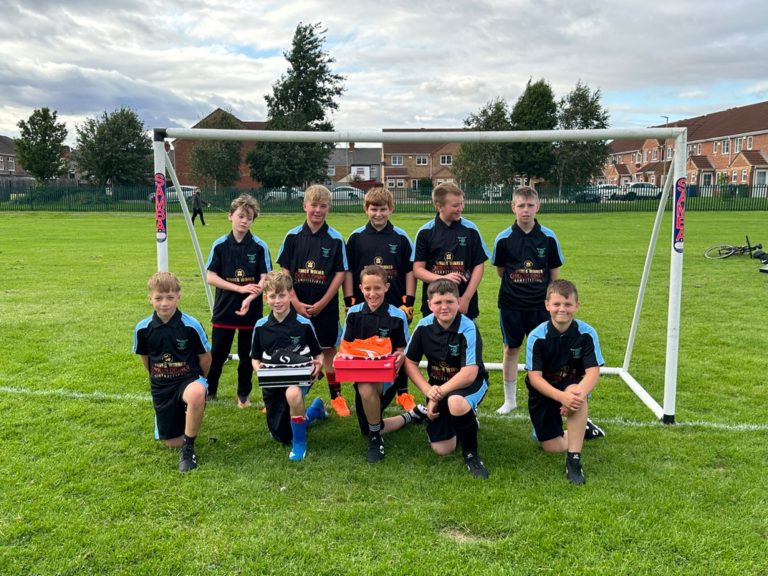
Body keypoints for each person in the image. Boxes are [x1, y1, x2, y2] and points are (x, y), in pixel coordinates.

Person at [339, 265, 427, 463]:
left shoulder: (398, 315)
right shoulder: (353, 313)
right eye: (367, 289)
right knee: (369, 424)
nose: (372, 294)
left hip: (387, 378)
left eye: (377, 288)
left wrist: (400, 356)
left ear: (386, 287)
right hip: (361, 374)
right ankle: (411, 416)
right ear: (360, 288)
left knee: (367, 389)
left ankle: (375, 439)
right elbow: (346, 348)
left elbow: (404, 350)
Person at [404, 279, 490, 479]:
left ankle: (471, 455)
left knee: (456, 402)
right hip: (438, 387)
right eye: (438, 302)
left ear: (459, 302)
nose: (444, 307)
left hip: (470, 384)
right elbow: (409, 362)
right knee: (442, 449)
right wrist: (428, 390)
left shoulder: (468, 327)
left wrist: (438, 394)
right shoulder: (424, 326)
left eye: (450, 302)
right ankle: (465, 420)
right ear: (429, 304)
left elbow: (469, 374)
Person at [276, 185, 350, 417]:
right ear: (304, 206)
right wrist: (295, 302)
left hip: (324, 307)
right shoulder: (292, 236)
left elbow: (341, 273)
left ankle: (336, 396)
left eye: (323, 206)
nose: (318, 210)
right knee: (293, 347)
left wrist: (324, 302)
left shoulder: (336, 239)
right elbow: (285, 270)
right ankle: (285, 395)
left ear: (329, 208)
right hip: (295, 305)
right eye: (314, 205)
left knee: (329, 349)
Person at [343, 186, 418, 413]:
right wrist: (349, 301)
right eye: (374, 209)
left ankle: (402, 392)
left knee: (398, 348)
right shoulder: (356, 238)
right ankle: (371, 386)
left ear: (391, 209)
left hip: (395, 304)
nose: (378, 214)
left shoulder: (401, 237)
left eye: (383, 209)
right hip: (366, 303)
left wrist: (410, 301)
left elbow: (409, 271)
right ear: (366, 209)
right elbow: (348, 272)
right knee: (369, 347)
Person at [492, 185, 564, 414]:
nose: (525, 210)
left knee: (544, 350)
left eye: (530, 205)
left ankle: (545, 396)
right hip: (511, 304)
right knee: (511, 349)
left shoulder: (548, 237)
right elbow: (502, 271)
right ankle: (510, 400)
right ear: (513, 207)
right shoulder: (503, 238)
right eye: (521, 205)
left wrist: (550, 300)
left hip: (539, 306)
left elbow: (553, 273)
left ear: (538, 207)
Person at [525, 279, 604, 485]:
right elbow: (534, 377)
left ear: (577, 306)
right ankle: (582, 428)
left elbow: (593, 372)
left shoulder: (587, 333)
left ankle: (574, 460)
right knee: (551, 447)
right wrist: (561, 398)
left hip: (571, 387)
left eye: (568, 304)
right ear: (547, 305)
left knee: (577, 393)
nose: (562, 309)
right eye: (557, 304)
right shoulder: (537, 336)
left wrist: (574, 397)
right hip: (545, 392)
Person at [133, 271, 212, 472]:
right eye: (158, 298)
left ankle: (189, 449)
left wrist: (201, 382)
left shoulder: (191, 325)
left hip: (188, 379)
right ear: (150, 298)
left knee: (195, 393)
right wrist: (158, 375)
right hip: (162, 385)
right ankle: (179, 416)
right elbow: (146, 359)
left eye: (170, 297)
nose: (164, 303)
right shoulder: (143, 328)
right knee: (171, 443)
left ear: (178, 297)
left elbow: (205, 358)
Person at [251, 270, 328, 461]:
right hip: (273, 379)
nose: (278, 301)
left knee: (293, 395)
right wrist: (259, 370)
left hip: (299, 377)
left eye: (282, 295)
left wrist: (318, 365)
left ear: (290, 294)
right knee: (280, 435)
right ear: (266, 298)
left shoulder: (302, 324)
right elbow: (255, 357)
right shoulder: (261, 326)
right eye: (273, 296)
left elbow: (318, 353)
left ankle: (300, 443)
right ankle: (316, 409)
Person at [205, 193, 271, 407]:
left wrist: (250, 297)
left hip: (251, 311)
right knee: (217, 354)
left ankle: (243, 395)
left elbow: (265, 280)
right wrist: (239, 288)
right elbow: (210, 277)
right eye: (241, 216)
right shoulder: (220, 245)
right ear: (230, 216)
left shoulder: (259, 246)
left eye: (249, 217)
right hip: (225, 309)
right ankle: (210, 391)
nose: (244, 221)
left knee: (247, 355)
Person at [412, 182, 489, 321]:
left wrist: (465, 299)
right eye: (455, 205)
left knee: (465, 341)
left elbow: (479, 266)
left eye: (462, 203)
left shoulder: (471, 230)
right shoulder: (425, 232)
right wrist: (442, 278)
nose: (461, 208)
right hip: (434, 305)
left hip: (464, 304)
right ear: (439, 206)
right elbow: (417, 270)